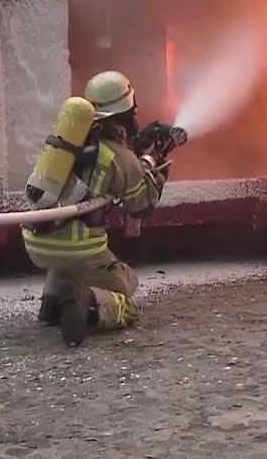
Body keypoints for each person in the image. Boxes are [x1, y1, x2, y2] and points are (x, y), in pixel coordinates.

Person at [23, 70, 166, 348]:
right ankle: (87, 304)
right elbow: (140, 206)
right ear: (124, 115)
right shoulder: (119, 156)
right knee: (127, 289)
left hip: (36, 242)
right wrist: (157, 174)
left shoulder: (70, 142)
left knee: (69, 266)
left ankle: (52, 302)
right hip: (78, 247)